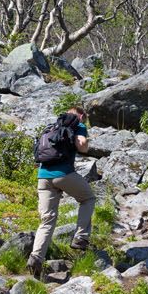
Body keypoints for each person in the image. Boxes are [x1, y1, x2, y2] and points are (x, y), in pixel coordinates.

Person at [27, 105, 94, 279]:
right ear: (80, 115)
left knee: (47, 220)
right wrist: (84, 141)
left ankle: (36, 258)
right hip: (63, 174)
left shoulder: (50, 126)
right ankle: (81, 237)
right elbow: (82, 147)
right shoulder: (78, 124)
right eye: (83, 118)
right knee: (88, 198)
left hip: (43, 177)